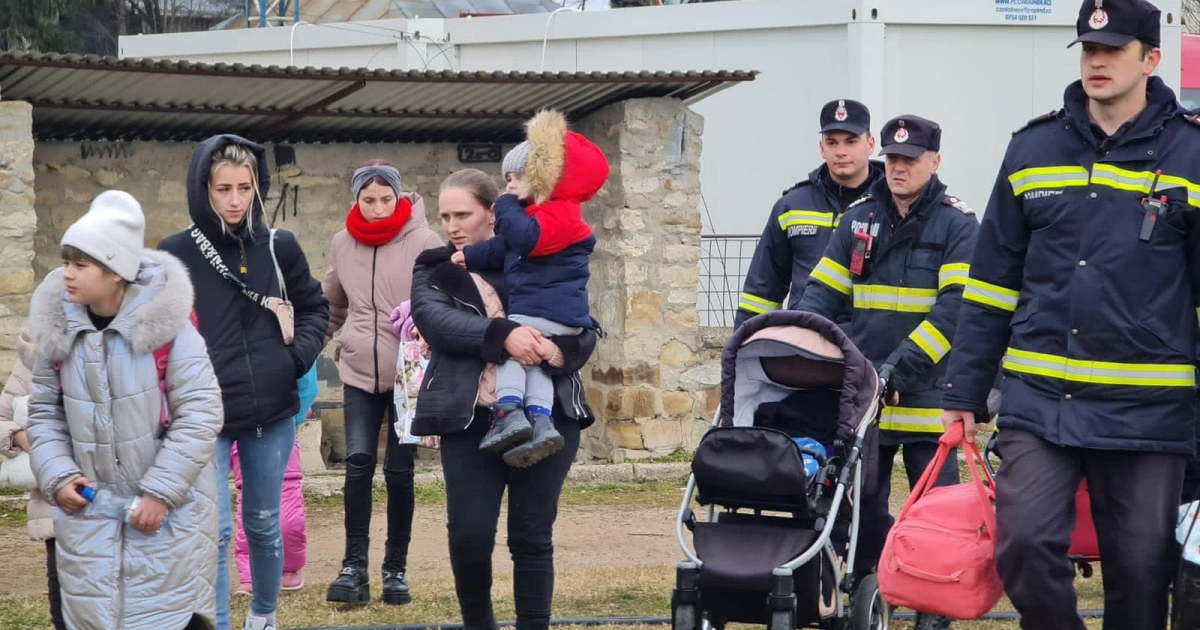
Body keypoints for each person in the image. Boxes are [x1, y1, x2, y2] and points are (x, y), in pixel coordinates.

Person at [940, 1, 1200, 628]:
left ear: (1151, 59)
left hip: (1148, 410)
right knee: (1023, 546)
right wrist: (965, 392)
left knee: (1140, 576)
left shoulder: (1191, 154)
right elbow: (992, 284)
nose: (1098, 61)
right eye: (1088, 48)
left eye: (1113, 49)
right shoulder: (1033, 148)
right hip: (1041, 402)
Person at [797, 115, 978, 630]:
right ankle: (867, 592)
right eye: (893, 159)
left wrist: (899, 367)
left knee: (937, 510)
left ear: (935, 162)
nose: (898, 168)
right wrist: (809, 344)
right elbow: (822, 295)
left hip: (927, 391)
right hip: (866, 392)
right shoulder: (858, 221)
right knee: (863, 505)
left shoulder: (958, 225)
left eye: (911, 160)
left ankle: (934, 607)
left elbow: (956, 310)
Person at [26, 190, 224, 630]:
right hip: (89, 519)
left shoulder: (171, 335)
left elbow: (201, 413)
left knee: (163, 616)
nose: (68, 275)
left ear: (115, 273)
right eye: (66, 262)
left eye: (81, 264)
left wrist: (159, 493)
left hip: (166, 520)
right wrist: (57, 475)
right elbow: (43, 413)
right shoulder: (59, 335)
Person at [409, 169, 597, 630]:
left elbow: (584, 326)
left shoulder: (537, 251)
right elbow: (436, 322)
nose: (453, 225)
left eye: (463, 214)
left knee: (531, 536)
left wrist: (557, 350)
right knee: (470, 536)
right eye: (445, 215)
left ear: (492, 213)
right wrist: (504, 335)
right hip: (471, 417)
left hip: (548, 415)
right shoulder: (434, 265)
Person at [159, 135, 330, 630]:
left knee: (263, 523)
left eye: (244, 187)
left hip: (270, 414)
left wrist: (293, 359)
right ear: (203, 190)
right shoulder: (175, 253)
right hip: (204, 417)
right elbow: (156, 329)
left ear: (258, 187)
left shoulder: (280, 246)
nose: (234, 200)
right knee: (212, 530)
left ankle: (263, 618)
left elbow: (317, 308)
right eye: (223, 189)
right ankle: (216, 621)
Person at [454, 110, 607, 467]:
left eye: (518, 178)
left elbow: (524, 241)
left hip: (545, 310)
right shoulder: (539, 214)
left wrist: (504, 206)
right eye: (506, 179)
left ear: (543, 178)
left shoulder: (559, 213)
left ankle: (507, 410)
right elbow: (503, 247)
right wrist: (470, 256)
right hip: (555, 314)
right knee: (534, 364)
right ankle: (540, 420)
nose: (509, 186)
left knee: (509, 348)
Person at [322, 159, 441, 606]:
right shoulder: (341, 243)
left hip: (407, 373)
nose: (376, 208)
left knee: (399, 471)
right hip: (357, 371)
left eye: (385, 200)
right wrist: (304, 347)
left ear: (399, 197)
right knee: (357, 465)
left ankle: (396, 570)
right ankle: (353, 567)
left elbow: (444, 299)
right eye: (368, 200)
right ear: (356, 200)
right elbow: (331, 305)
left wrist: (426, 319)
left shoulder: (425, 240)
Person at [735, 99, 885, 327]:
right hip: (806, 338)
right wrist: (745, 346)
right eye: (832, 143)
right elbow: (763, 289)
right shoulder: (791, 206)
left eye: (851, 142)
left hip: (870, 342)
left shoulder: (893, 205)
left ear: (871, 144)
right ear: (821, 148)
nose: (841, 152)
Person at [232, 364, 319, 596]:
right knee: (249, 504)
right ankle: (250, 573)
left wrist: (292, 416)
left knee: (288, 504)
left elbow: (307, 380)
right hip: (239, 422)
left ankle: (290, 566)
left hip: (280, 422)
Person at [0, 329, 63, 630]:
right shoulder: (33, 354)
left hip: (111, 501)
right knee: (63, 602)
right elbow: (1, 421)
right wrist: (23, 438)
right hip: (55, 505)